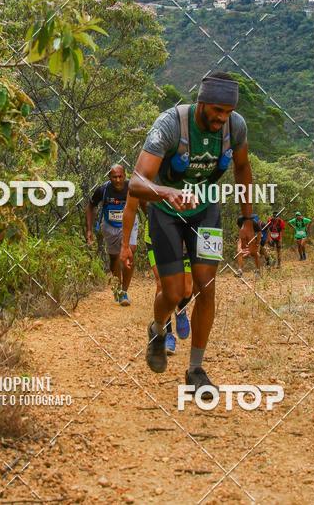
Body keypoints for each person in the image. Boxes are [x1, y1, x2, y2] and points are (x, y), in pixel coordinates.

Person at [121, 71, 254, 397]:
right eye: (216, 112)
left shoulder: (235, 127)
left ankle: (195, 370)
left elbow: (242, 168)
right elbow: (136, 182)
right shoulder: (170, 124)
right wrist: (166, 192)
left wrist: (248, 220)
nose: (222, 119)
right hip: (165, 212)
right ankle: (156, 329)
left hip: (206, 210)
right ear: (202, 102)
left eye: (227, 113)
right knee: (174, 291)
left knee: (206, 286)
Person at [86, 164, 139, 305]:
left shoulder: (131, 188)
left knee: (130, 251)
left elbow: (144, 204)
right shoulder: (103, 190)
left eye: (120, 176)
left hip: (130, 223)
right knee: (115, 258)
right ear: (109, 177)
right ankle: (117, 286)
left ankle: (124, 292)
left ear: (125, 176)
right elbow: (91, 206)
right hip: (110, 226)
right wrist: (89, 230)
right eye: (114, 177)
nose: (117, 179)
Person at [143, 215, 192, 355]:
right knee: (162, 284)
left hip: (185, 240)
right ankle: (168, 335)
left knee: (187, 290)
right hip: (157, 236)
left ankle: (180, 309)